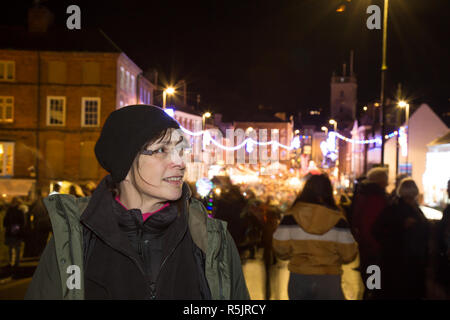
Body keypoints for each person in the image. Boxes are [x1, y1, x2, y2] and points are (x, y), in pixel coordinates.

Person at [26, 105, 249, 300]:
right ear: (125, 161)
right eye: (162, 150)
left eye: (181, 151)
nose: (180, 162)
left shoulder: (212, 241)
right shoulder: (72, 241)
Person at [273, 174, 358, 300]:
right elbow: (349, 254)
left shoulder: (291, 216)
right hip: (329, 279)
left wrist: (294, 255)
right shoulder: (337, 219)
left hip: (299, 277)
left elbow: (280, 248)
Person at [372, 178, 430, 299]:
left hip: (396, 260)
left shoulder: (393, 208)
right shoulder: (414, 211)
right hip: (409, 261)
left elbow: (377, 230)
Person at [351, 167, 389, 298]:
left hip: (366, 243)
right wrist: (376, 244)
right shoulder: (376, 197)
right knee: (373, 275)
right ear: (380, 181)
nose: (388, 183)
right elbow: (370, 223)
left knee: (368, 274)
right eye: (385, 180)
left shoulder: (363, 194)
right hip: (373, 245)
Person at [3, 197, 25, 274]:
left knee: (11, 247)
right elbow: (22, 222)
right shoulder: (20, 211)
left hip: (10, 231)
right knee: (16, 248)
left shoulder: (10, 210)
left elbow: (5, 221)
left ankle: (11, 262)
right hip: (17, 232)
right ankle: (16, 262)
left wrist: (8, 226)